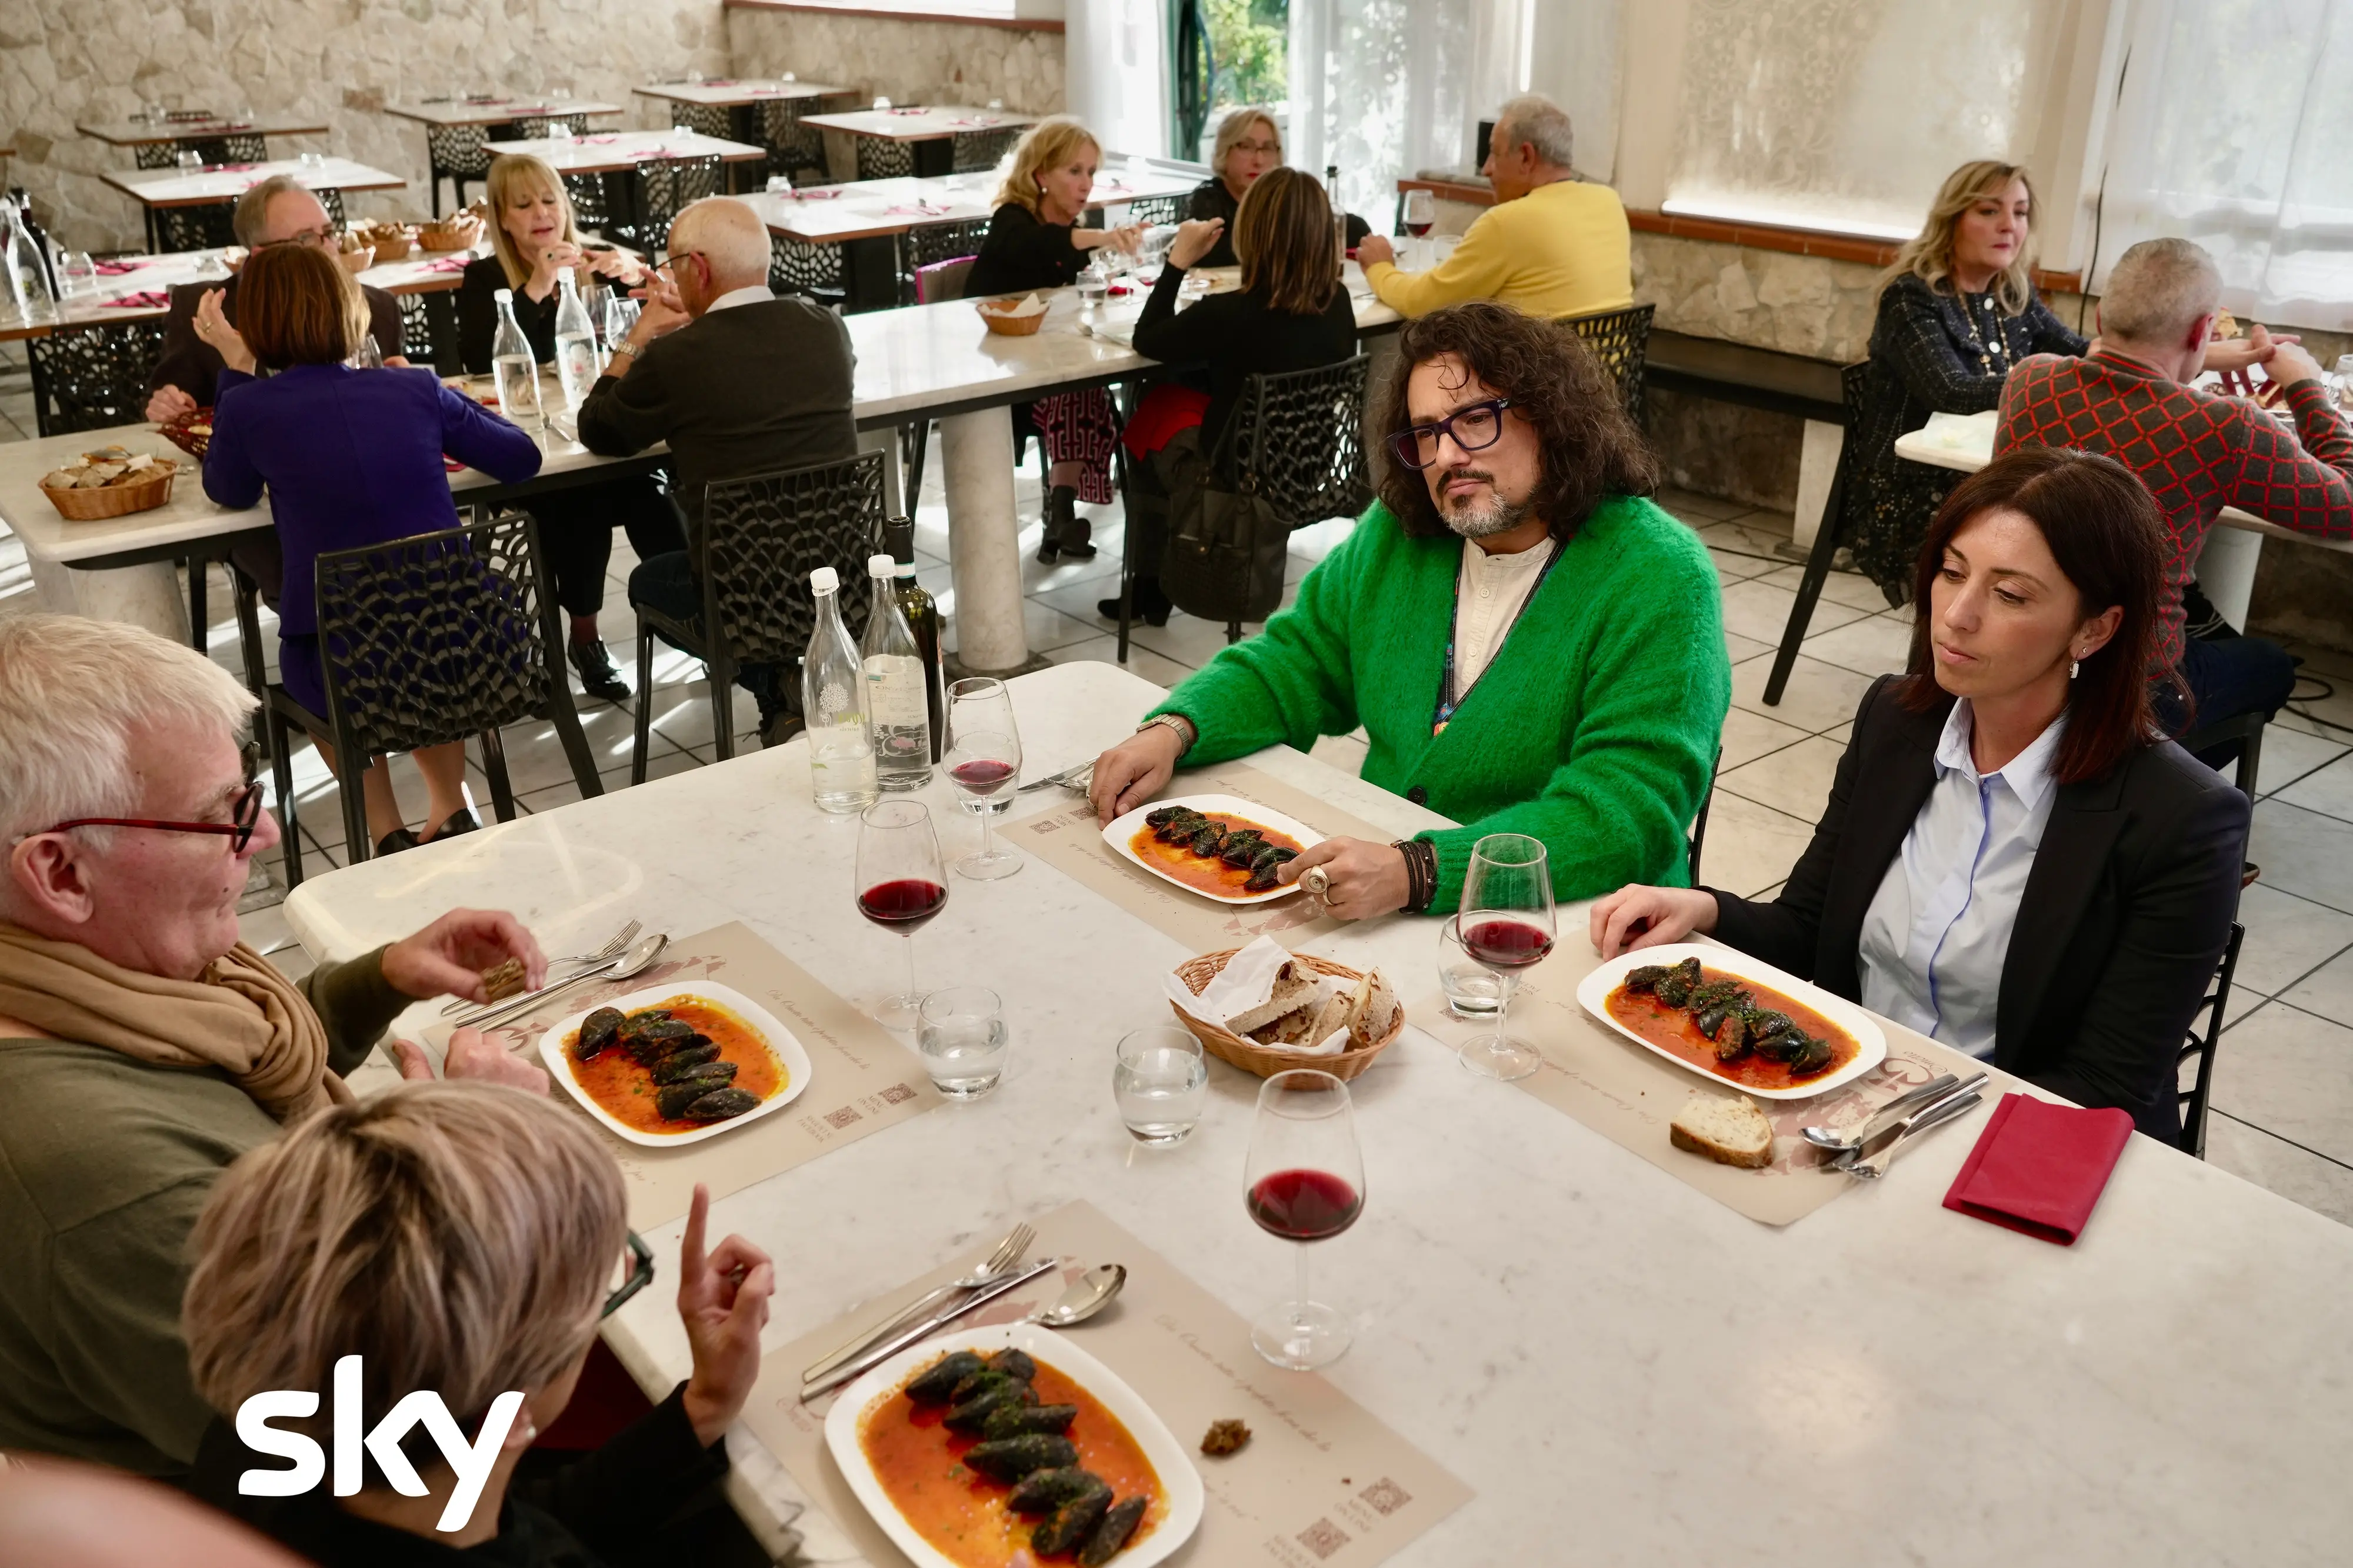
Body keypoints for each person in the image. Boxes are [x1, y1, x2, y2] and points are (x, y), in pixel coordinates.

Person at [0, 614, 549, 1480]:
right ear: (62, 873)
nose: (260, 839)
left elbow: (212, 1076)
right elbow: (390, 1462)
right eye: (221, 816)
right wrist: (509, 1160)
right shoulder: (104, 1182)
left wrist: (380, 978)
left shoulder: (74, 976)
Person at [1592, 448, 2249, 1142]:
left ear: (2094, 627)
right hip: (1846, 1110)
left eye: (2010, 594)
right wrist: (1702, 908)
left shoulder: (2181, 818)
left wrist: (1893, 1130)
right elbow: (1812, 929)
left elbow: (2104, 1086)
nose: (1957, 615)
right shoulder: (1897, 721)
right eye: (1952, 571)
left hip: (2006, 1143)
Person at [1089, 301, 1728, 918]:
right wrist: (1175, 729)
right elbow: (1298, 661)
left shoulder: (1660, 576)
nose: (1448, 454)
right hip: (1389, 885)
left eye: (1476, 418)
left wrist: (1421, 870)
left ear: (1552, 417)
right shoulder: (1400, 534)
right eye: (1425, 432)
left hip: (1573, 920)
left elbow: (1623, 811)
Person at [185, 1083, 773, 1566]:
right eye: (599, 1295)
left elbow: (513, 1515)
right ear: (509, 1417)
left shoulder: (266, 1436)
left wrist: (705, 1405)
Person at [199, 243, 544, 856]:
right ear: (349, 309)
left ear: (256, 323)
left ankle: (385, 828)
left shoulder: (250, 405)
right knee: (422, 619)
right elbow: (521, 457)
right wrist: (437, 397)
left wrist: (235, 367)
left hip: (346, 671)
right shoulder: (410, 387)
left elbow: (228, 490)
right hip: (470, 650)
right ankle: (452, 803)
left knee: (338, 637)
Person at [1999, 236, 2353, 749]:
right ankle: (2152, 791)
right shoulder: (2224, 427)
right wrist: (2305, 385)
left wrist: (2195, 355)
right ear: (2201, 330)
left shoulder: (2028, 382)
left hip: (2023, 654)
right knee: (2270, 666)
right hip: (2137, 683)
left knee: (2195, 608)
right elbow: (2346, 508)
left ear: (2101, 319)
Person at [576, 196, 859, 749]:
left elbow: (599, 430)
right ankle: (784, 687)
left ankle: (775, 685)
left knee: (649, 580)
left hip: (739, 598)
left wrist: (642, 335)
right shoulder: (827, 329)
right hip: (842, 581)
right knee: (770, 567)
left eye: (672, 267)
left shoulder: (677, 358)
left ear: (697, 269)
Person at [457, 154, 681, 707]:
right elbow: (479, 364)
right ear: (501, 219)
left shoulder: (600, 262)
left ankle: (695, 615)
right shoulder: (485, 278)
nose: (541, 214)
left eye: (550, 199)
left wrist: (639, 280)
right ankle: (585, 640)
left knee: (654, 493)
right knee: (577, 505)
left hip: (604, 423)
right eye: (524, 204)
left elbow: (657, 329)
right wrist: (538, 283)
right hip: (538, 442)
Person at [1105, 166, 1361, 626]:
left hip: (1236, 481)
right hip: (1308, 471)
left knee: (1149, 407)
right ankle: (1155, 579)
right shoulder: (1338, 301)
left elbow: (1147, 339)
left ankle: (1151, 580)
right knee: (1182, 398)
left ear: (1252, 234)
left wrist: (1178, 261)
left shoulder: (1228, 313)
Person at [1845, 161, 2097, 598]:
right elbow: (1951, 390)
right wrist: (2050, 380)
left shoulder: (2012, 294)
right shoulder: (1911, 297)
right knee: (2065, 533)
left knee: (2092, 519)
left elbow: (2082, 354)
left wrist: (2189, 353)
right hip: (1910, 491)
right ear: (1952, 221)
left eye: (2019, 213)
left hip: (1985, 477)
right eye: (1988, 211)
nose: (2008, 226)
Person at [964, 115, 1142, 563]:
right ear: (1041, 175)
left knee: (1082, 384)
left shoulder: (1075, 226)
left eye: (1091, 173)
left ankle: (1061, 511)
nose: (1086, 183)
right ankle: (1060, 512)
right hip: (993, 373)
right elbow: (1041, 246)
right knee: (1077, 386)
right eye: (1074, 171)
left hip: (1046, 364)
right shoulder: (1012, 219)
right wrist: (1102, 238)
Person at [146, 175, 411, 423]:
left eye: (329, 233)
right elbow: (171, 398)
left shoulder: (377, 308)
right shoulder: (203, 308)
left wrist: (406, 388)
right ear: (262, 256)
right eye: (305, 238)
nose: (328, 248)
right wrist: (169, 403)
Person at [1355, 93, 1631, 322]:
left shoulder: (1509, 221)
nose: (1486, 169)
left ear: (1526, 157)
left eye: (1495, 154)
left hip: (1537, 385)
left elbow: (1423, 305)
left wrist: (1380, 268)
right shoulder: (1608, 202)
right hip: (1603, 381)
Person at [1182, 106, 1367, 270]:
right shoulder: (1207, 199)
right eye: (1247, 147)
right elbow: (1204, 254)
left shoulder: (1285, 197)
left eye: (1268, 148)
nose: (1259, 161)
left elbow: (1358, 231)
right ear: (1225, 150)